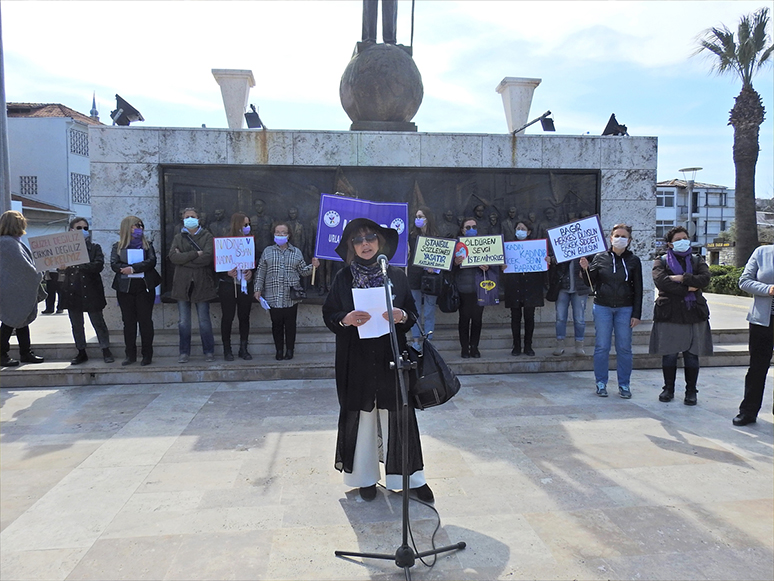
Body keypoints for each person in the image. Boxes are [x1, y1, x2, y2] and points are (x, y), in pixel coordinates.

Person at [322, 217, 433, 503]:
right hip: (355, 358)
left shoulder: (395, 275)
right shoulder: (342, 278)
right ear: (351, 246)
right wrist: (345, 319)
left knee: (399, 414)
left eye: (369, 237)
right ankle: (364, 478)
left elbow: (411, 313)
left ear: (379, 242)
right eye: (358, 240)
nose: (365, 244)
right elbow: (329, 314)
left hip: (389, 356)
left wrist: (402, 316)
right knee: (363, 416)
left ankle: (410, 478)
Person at [649, 227, 713, 405]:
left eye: (685, 238)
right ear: (670, 243)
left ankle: (691, 391)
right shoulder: (660, 261)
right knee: (669, 354)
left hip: (694, 314)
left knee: (691, 355)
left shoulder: (696, 259)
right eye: (679, 239)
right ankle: (668, 389)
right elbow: (662, 282)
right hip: (670, 314)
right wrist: (688, 288)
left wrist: (682, 277)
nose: (683, 241)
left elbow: (705, 279)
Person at [581, 223, 642, 399]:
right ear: (610, 238)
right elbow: (589, 281)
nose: (620, 239)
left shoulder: (633, 261)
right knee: (602, 346)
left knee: (624, 347)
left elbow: (638, 288)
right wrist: (585, 269)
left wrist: (636, 313)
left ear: (629, 240)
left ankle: (624, 384)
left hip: (625, 308)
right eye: (617, 235)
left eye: (624, 236)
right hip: (603, 307)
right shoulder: (600, 257)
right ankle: (601, 383)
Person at [254, 221, 319, 361]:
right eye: (278, 232)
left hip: (290, 296)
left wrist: (313, 266)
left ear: (288, 235)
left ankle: (290, 350)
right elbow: (261, 271)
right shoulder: (268, 251)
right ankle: (279, 350)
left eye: (283, 233)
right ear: (274, 234)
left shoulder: (296, 252)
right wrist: (257, 289)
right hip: (273, 295)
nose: (281, 235)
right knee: (276, 324)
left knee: (290, 324)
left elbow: (303, 271)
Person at [60, 217, 114, 365]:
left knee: (98, 322)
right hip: (73, 290)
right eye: (79, 228)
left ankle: (105, 349)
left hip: (91, 290)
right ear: (71, 230)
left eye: (85, 228)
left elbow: (98, 265)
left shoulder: (94, 247)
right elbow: (57, 267)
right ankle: (81, 351)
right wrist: (63, 267)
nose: (83, 231)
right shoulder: (65, 249)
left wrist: (77, 264)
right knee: (76, 324)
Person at [111, 216, 161, 366]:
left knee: (145, 321)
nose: (138, 228)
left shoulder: (147, 245)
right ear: (127, 228)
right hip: (125, 289)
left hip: (144, 287)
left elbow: (151, 262)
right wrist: (124, 269)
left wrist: (133, 268)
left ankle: (147, 355)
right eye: (135, 226)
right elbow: (114, 264)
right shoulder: (118, 246)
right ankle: (130, 355)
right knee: (129, 322)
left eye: (140, 225)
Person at [169, 207, 217, 363]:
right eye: (187, 216)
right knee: (184, 321)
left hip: (201, 283)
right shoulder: (178, 237)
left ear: (198, 219)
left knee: (204, 320)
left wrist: (184, 259)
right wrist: (195, 254)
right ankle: (184, 352)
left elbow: (208, 258)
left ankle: (208, 351)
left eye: (192, 216)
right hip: (182, 284)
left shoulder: (207, 236)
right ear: (183, 219)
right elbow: (173, 257)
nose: (190, 218)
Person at [733, 244, 774, 426]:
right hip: (762, 322)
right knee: (757, 368)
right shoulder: (762, 252)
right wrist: (768, 289)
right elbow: (744, 281)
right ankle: (748, 411)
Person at [0, 210, 45, 367]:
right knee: (10, 321)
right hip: (12, 291)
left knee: (21, 320)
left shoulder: (10, 241)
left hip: (9, 289)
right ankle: (2, 353)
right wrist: (38, 272)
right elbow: (25, 269)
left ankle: (26, 352)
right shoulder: (9, 243)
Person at [503, 220, 545, 356]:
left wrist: (545, 261)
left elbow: (542, 268)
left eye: (523, 228)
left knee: (529, 317)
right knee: (515, 317)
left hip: (530, 285)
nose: (520, 230)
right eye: (518, 228)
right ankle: (516, 346)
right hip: (514, 285)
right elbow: (502, 264)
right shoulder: (508, 247)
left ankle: (528, 345)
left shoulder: (536, 247)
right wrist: (502, 266)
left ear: (528, 232)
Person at [218, 212, 256, 361]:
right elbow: (215, 264)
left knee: (244, 317)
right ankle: (227, 349)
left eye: (249, 224)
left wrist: (251, 272)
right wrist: (226, 272)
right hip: (228, 285)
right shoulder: (224, 241)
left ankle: (243, 348)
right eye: (245, 224)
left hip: (245, 284)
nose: (247, 227)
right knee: (227, 317)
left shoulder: (251, 241)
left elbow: (257, 259)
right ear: (238, 224)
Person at [454, 217, 488, 358]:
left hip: (479, 287)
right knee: (464, 318)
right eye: (468, 227)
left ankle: (474, 347)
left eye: (473, 227)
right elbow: (448, 267)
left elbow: (493, 260)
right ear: (462, 230)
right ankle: (464, 348)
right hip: (463, 288)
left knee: (477, 319)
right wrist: (455, 262)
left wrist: (487, 266)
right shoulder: (456, 245)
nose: (471, 230)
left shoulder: (484, 244)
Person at [407, 206, 440, 352]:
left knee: (429, 309)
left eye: (420, 216)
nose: (418, 219)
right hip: (414, 275)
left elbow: (441, 257)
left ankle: (428, 340)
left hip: (431, 277)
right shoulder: (412, 236)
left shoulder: (436, 236)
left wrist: (435, 267)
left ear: (427, 218)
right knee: (415, 309)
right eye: (416, 216)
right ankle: (415, 340)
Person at [551, 255, 593, 356]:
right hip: (562, 287)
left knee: (579, 318)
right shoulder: (560, 245)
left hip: (580, 287)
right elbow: (552, 258)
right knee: (560, 318)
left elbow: (595, 262)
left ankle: (579, 346)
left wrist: (586, 267)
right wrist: (552, 259)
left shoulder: (585, 247)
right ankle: (560, 345)